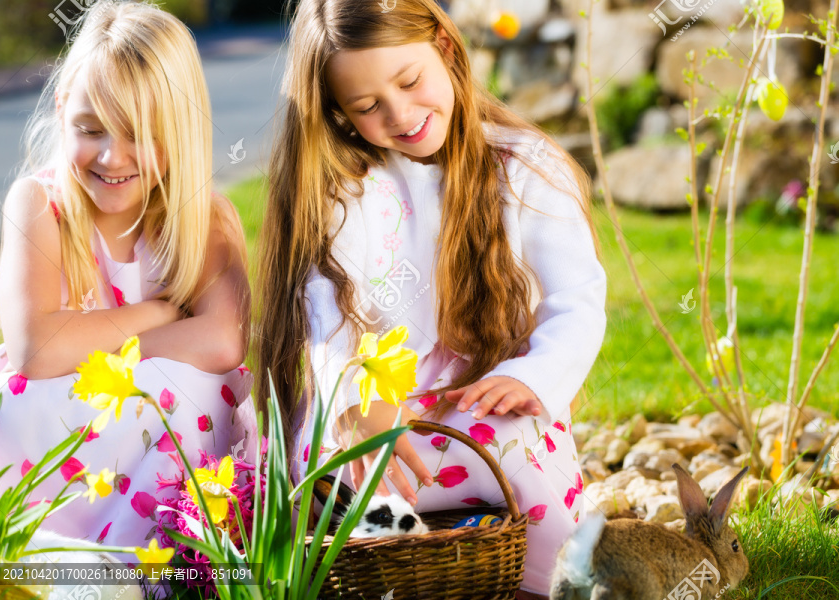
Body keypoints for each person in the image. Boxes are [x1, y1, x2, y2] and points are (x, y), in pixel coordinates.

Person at [255, 0, 607, 597]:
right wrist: (358, 398)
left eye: (410, 80)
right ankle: (399, 573)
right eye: (367, 107)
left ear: (445, 48)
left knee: (516, 444)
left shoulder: (523, 168)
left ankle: (539, 582)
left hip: (484, 406)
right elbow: (326, 313)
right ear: (340, 114)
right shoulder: (348, 190)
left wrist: (534, 376)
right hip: (378, 412)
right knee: (355, 478)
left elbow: (577, 299)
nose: (401, 114)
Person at [0, 0, 252, 555]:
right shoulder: (40, 203)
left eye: (140, 134)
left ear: (180, 129)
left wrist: (94, 346)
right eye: (91, 129)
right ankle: (64, 559)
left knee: (196, 391)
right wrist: (158, 315)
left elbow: (225, 340)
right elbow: (36, 350)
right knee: (36, 394)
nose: (113, 157)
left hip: (164, 438)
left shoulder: (203, 217)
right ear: (63, 109)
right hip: (63, 425)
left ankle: (157, 560)